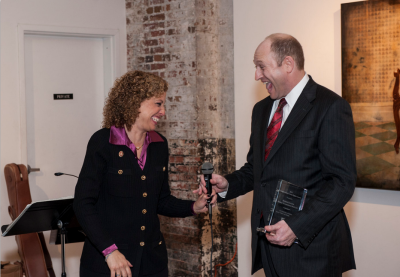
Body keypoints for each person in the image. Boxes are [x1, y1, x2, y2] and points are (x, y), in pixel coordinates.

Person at [196, 33, 356, 276]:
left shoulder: (330, 106)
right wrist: (228, 184)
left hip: (312, 251)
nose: (257, 75)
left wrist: (296, 226)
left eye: (261, 67)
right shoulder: (261, 110)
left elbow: (341, 183)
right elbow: (256, 170)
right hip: (268, 246)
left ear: (288, 64)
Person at [74, 70, 216, 277]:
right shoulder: (103, 142)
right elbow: (82, 203)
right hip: (110, 263)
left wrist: (194, 206)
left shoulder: (159, 145)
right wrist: (110, 251)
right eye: (158, 103)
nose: (163, 111)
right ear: (134, 102)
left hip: (151, 261)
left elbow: (160, 200)